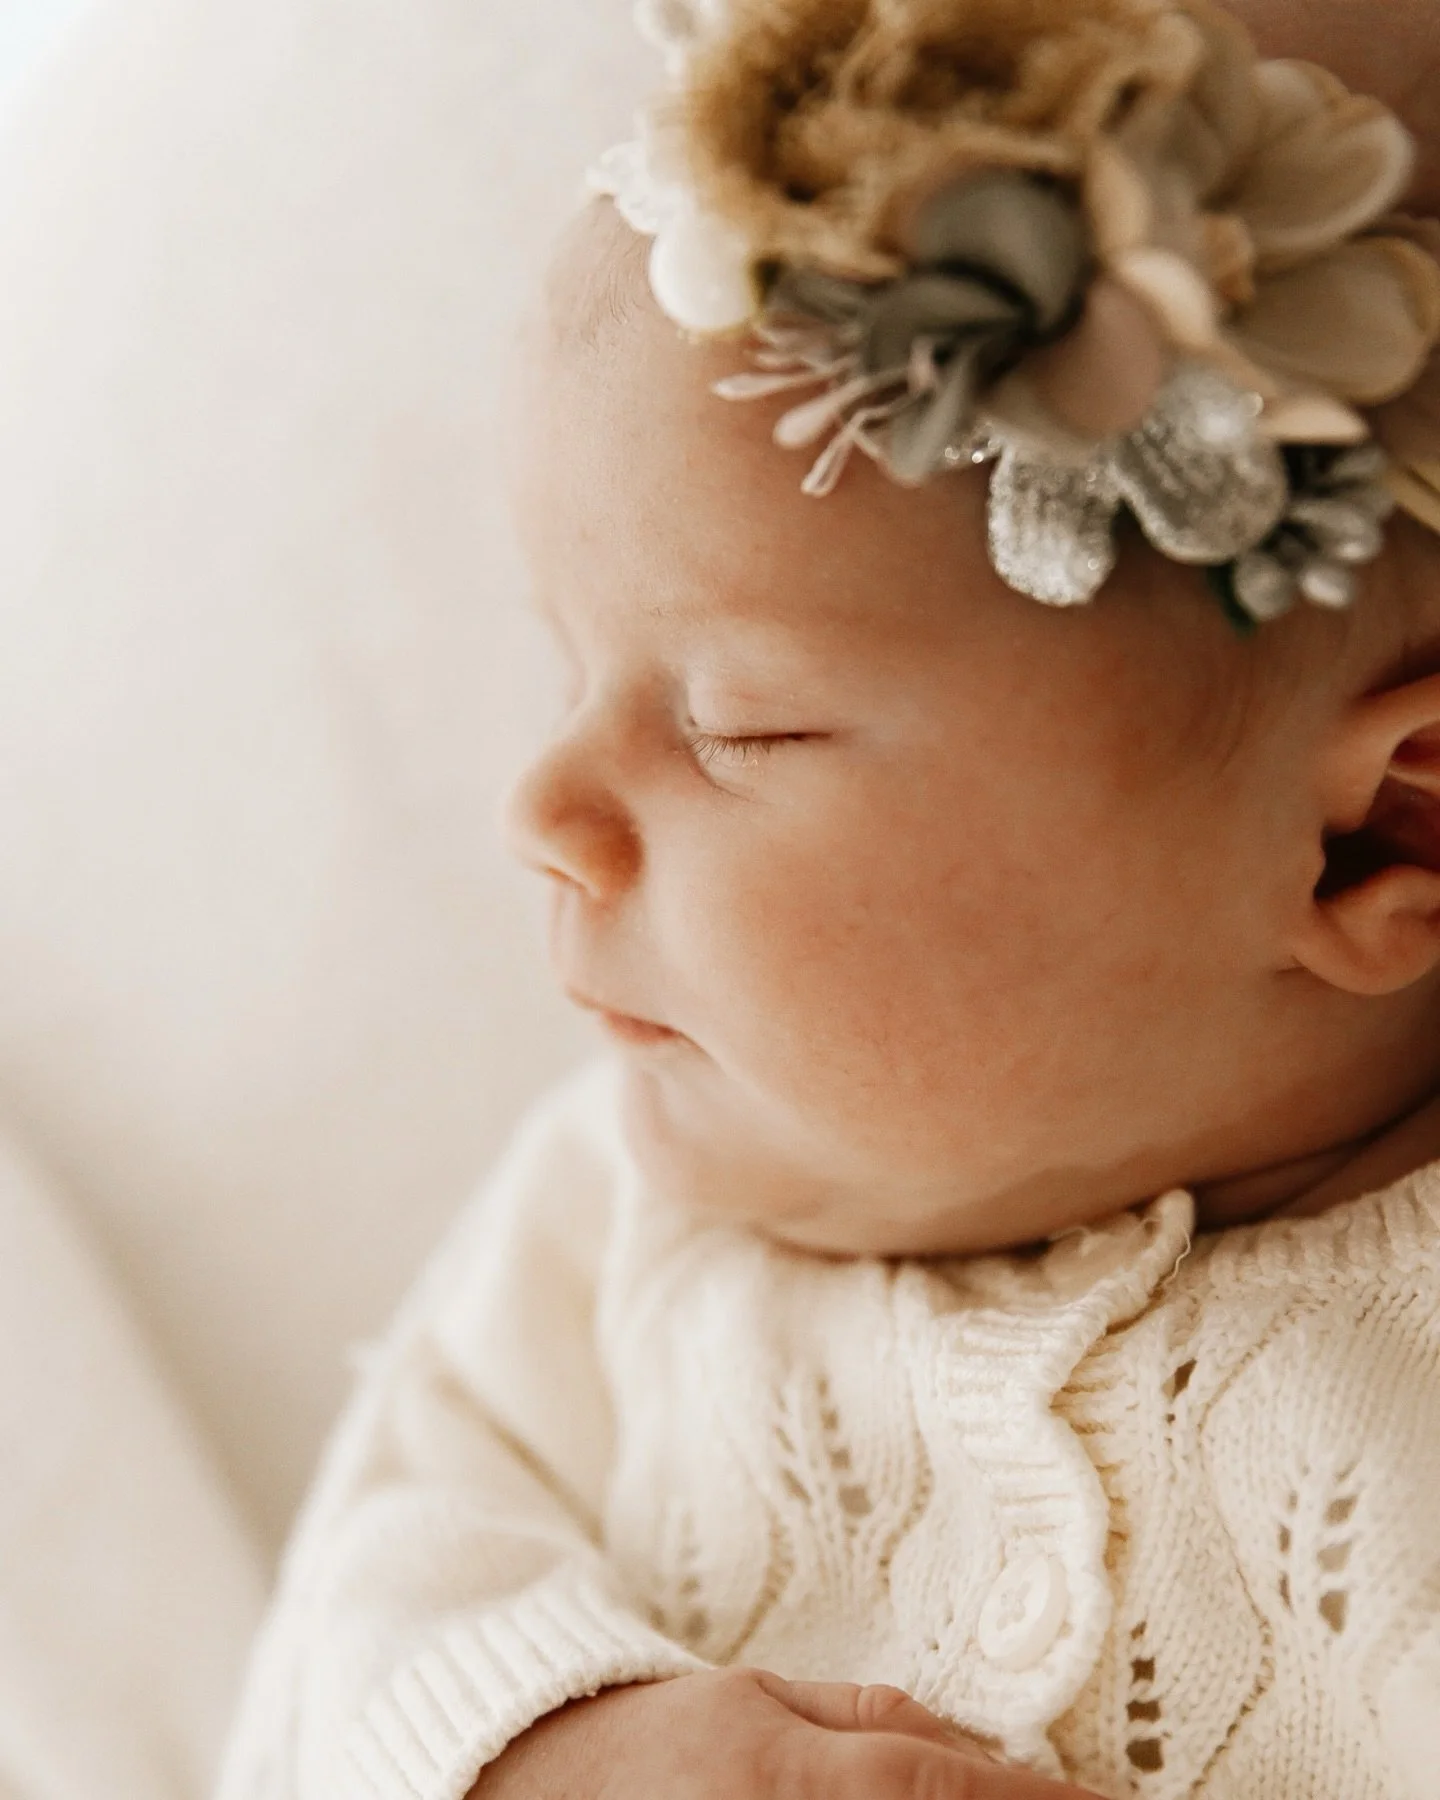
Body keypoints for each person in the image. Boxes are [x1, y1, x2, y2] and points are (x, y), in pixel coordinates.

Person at [216, 1, 1440, 1794]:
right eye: (567, 667)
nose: (543, 808)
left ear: (1374, 844)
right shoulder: (610, 1216)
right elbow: (353, 1624)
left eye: (738, 723)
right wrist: (552, 1751)